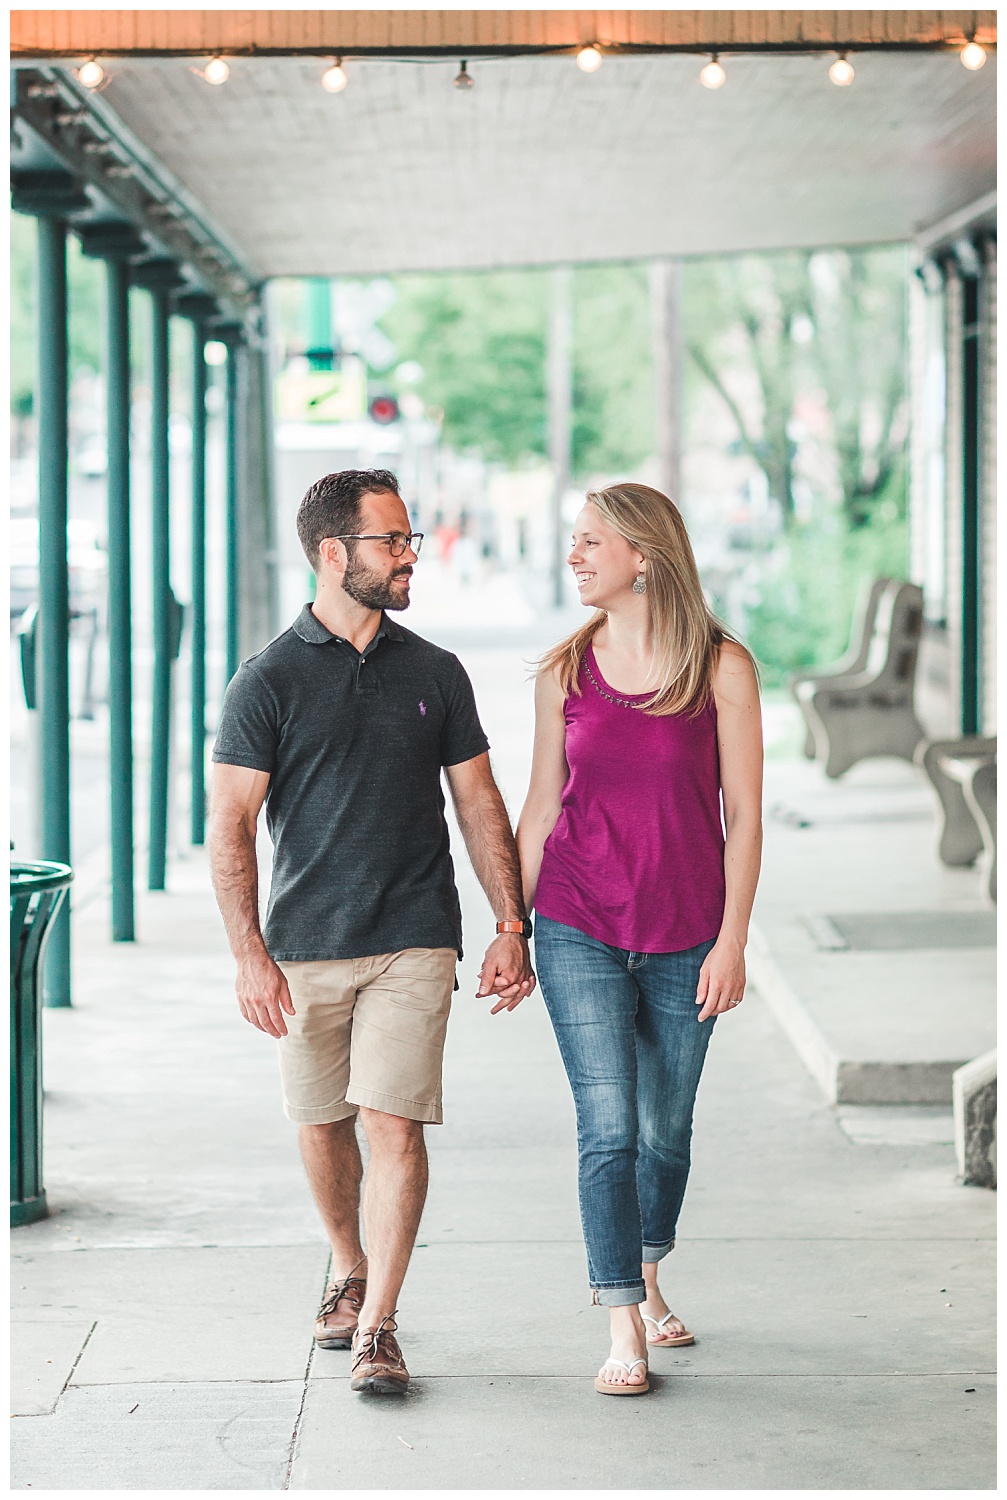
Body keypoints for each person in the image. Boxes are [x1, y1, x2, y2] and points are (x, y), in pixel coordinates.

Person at [208, 469, 535, 1397]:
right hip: (304, 942)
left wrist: (510, 921)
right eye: (390, 543)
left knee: (393, 1124)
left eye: (409, 541)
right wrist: (248, 956)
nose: (408, 559)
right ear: (330, 553)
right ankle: (348, 1266)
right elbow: (230, 823)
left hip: (413, 935)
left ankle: (379, 1326)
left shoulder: (434, 671)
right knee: (322, 1124)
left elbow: (477, 801)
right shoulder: (266, 680)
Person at [516, 482, 763, 1396]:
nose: (574, 555)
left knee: (665, 1129)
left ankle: (649, 1263)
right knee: (607, 1125)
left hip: (687, 932)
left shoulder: (721, 668)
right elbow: (541, 807)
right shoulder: (563, 671)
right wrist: (511, 925)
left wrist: (732, 941)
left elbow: (744, 814)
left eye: (590, 541)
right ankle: (622, 1315)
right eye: (572, 542)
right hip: (577, 922)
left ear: (643, 555)